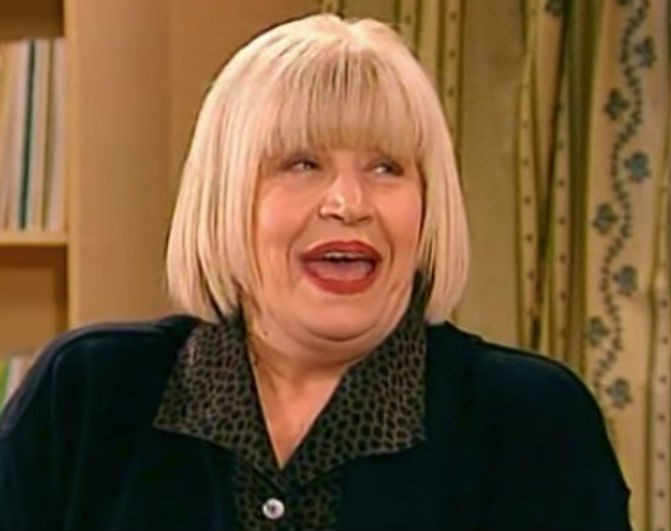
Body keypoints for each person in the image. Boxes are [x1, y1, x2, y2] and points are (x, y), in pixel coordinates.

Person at [0, 13, 631, 531]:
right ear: (225, 197)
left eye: (386, 167)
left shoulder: (532, 422)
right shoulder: (89, 395)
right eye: (301, 163)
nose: (349, 203)